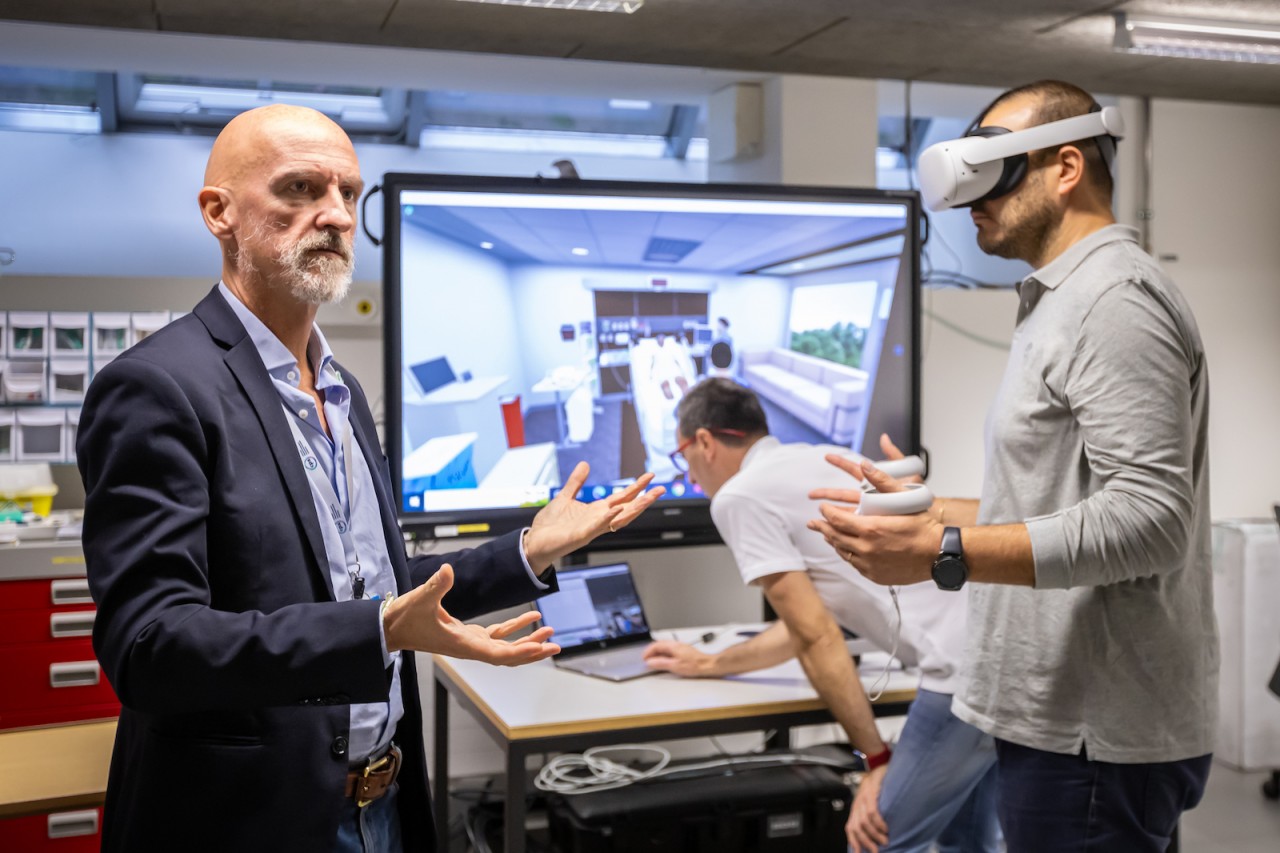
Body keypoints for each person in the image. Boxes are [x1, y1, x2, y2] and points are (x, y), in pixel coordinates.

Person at [76, 104, 663, 853]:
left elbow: (378, 581)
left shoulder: (341, 388)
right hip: (250, 820)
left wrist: (528, 551)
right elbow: (152, 647)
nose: (334, 216)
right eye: (299, 189)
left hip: (382, 805)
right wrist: (377, 629)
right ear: (218, 212)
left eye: (348, 194)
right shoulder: (159, 387)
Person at [810, 80, 1216, 852]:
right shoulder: (1060, 301)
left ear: (1067, 167)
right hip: (1055, 721)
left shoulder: (1113, 300)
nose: (971, 202)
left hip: (1094, 733)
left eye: (993, 173)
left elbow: (1153, 521)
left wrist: (944, 553)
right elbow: (1066, 493)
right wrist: (939, 514)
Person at [642, 378, 999, 853]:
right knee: (966, 842)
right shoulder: (816, 457)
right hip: (1002, 650)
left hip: (961, 673)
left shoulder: (737, 497)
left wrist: (874, 758)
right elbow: (803, 627)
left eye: (681, 456)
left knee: (876, 839)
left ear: (703, 442)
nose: (689, 474)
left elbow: (816, 636)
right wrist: (709, 663)